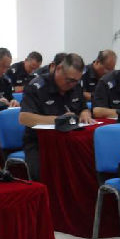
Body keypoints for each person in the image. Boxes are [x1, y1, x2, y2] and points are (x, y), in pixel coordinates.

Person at [19, 53, 91, 181]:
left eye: (76, 81)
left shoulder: (76, 86)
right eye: (69, 80)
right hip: (40, 143)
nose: (72, 84)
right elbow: (24, 118)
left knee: (87, 168)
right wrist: (59, 120)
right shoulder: (36, 86)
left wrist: (85, 113)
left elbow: (83, 108)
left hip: (70, 141)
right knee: (46, 175)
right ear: (58, 69)